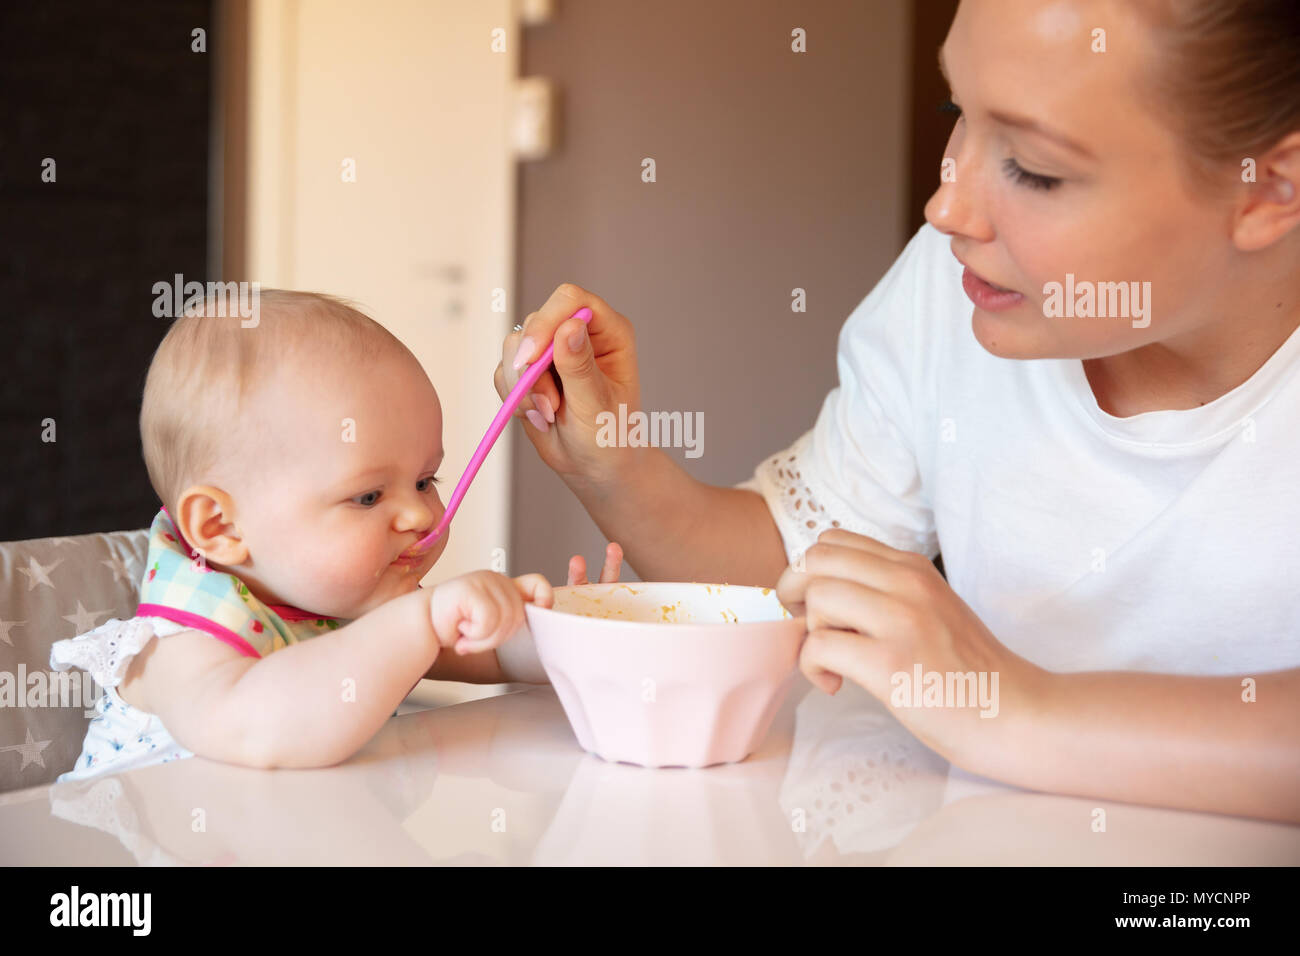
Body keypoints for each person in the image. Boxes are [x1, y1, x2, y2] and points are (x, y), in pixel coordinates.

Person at [494, 0, 1300, 822]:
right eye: (960, 113)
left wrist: (1006, 710)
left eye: (1032, 166)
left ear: (1269, 187)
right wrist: (616, 463)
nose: (945, 208)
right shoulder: (956, 292)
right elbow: (792, 566)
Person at [50, 290, 622, 782]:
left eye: (425, 480)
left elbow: (495, 654)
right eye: (369, 496)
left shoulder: (346, 598)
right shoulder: (183, 642)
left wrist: (571, 632)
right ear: (221, 527)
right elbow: (261, 729)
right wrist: (419, 622)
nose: (421, 516)